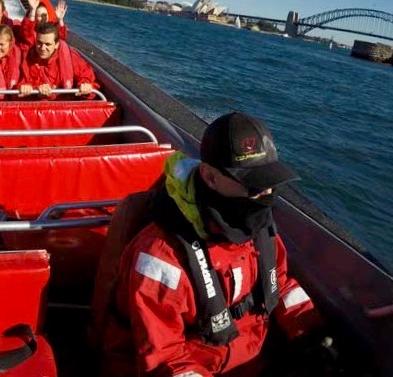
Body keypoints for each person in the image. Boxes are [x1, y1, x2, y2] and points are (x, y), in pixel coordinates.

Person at [101, 113, 323, 376]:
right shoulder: (160, 257)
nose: (264, 195)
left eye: (269, 183)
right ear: (210, 177)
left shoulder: (256, 225)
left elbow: (280, 283)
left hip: (251, 360)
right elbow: (165, 359)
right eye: (253, 185)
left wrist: (311, 333)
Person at [19, 22, 96, 99]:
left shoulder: (71, 57)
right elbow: (21, 83)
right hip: (37, 106)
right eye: (39, 43)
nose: (42, 48)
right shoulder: (27, 58)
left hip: (66, 105)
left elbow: (87, 75)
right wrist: (30, 89)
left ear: (56, 44)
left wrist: (85, 85)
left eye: (47, 44)